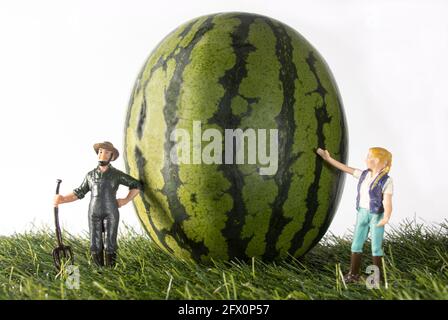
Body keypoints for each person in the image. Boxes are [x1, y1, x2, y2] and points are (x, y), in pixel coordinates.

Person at [53, 141, 143, 267]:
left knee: (109, 243)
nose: (102, 155)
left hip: (110, 212)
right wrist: (62, 199)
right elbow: (79, 192)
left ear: (112, 156)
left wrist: (126, 200)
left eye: (106, 153)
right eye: (100, 152)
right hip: (93, 213)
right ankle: (98, 270)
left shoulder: (116, 174)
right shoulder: (90, 175)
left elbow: (137, 185)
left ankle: (111, 270)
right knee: (95, 243)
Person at [316, 147, 393, 283]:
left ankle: (377, 277)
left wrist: (386, 216)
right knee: (356, 244)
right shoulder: (364, 175)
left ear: (384, 163)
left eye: (372, 158)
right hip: (362, 212)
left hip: (376, 215)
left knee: (376, 247)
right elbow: (345, 168)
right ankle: (353, 274)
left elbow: (387, 201)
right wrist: (328, 159)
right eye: (368, 157)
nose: (367, 160)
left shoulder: (386, 181)